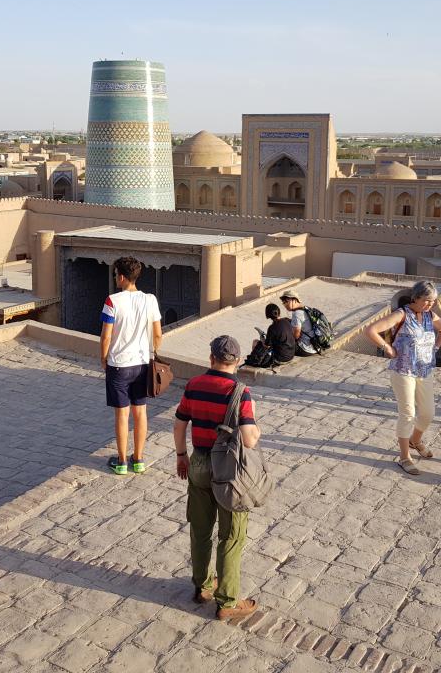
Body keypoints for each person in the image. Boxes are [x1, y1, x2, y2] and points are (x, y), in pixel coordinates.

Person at [173, 335, 261, 621]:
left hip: (198, 461)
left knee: (200, 529)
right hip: (228, 470)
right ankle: (227, 602)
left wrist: (181, 456)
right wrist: (255, 425)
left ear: (211, 358)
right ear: (236, 362)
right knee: (231, 536)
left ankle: (202, 586)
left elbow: (179, 423)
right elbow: (249, 440)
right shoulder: (240, 392)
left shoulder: (194, 385)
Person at [364, 281, 441, 475]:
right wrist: (387, 347)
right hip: (403, 371)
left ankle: (415, 440)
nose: (430, 305)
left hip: (425, 371)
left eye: (433, 301)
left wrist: (435, 347)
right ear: (415, 298)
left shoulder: (430, 316)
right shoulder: (401, 314)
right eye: (427, 301)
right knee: (408, 413)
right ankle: (404, 457)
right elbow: (370, 330)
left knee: (428, 413)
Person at [100, 255, 163, 475]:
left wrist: (104, 357)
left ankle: (122, 461)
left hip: (119, 365)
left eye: (116, 274)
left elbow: (106, 336)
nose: (115, 277)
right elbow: (157, 333)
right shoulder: (150, 299)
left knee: (122, 415)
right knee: (141, 413)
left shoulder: (112, 301)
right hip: (142, 363)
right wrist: (151, 352)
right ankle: (138, 459)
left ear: (123, 277)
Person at [280, 290, 316, 356]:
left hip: (305, 348)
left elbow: (296, 335)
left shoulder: (297, 314)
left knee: (279, 345)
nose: (285, 304)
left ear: (295, 300)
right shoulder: (305, 309)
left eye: (287, 301)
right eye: (284, 302)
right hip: (314, 346)